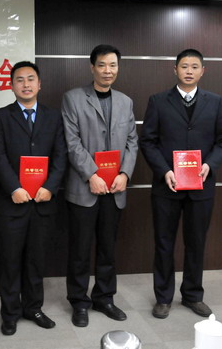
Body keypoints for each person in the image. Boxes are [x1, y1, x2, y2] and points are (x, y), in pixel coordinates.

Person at [139, 48, 222, 319]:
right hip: (166, 186)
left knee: (196, 243)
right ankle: (163, 298)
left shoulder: (215, 102)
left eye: (194, 67)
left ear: (203, 71)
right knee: (164, 243)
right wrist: (164, 171)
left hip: (201, 186)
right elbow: (148, 141)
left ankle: (193, 295)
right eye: (184, 66)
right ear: (175, 70)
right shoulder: (158, 101)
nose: (189, 71)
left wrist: (209, 164)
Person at [61, 44, 138, 327]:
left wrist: (125, 174)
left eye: (113, 65)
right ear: (92, 67)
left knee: (108, 248)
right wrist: (91, 174)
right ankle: (79, 302)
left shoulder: (125, 102)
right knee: (80, 251)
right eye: (103, 65)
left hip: (115, 188)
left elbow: (132, 141)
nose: (108, 71)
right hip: (85, 188)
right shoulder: (72, 99)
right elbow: (71, 142)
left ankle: (104, 298)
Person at [0, 61, 68, 336]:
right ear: (11, 85)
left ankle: (34, 308)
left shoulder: (54, 116)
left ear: (39, 84)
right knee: (10, 260)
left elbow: (61, 155)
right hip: (11, 202)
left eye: (31, 79)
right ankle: (10, 313)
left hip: (43, 201)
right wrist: (13, 187)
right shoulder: (0, 116)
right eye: (20, 80)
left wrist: (50, 186)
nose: (26, 84)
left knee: (36, 260)